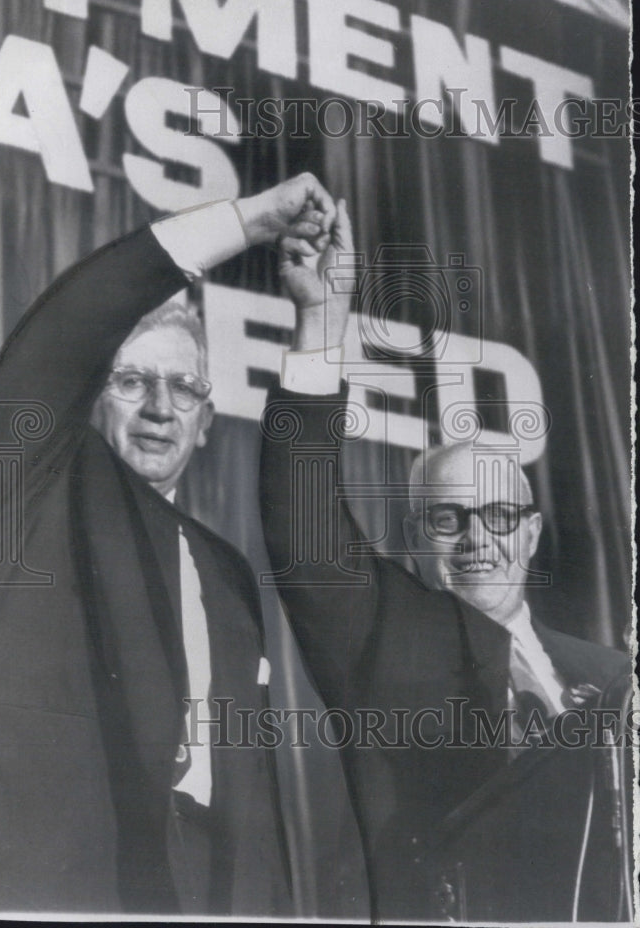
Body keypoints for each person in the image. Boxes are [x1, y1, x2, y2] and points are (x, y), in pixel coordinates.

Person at [0, 173, 337, 916]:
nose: (159, 409)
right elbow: (74, 319)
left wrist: (315, 316)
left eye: (185, 388)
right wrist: (249, 221)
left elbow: (249, 786)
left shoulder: (226, 572)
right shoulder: (29, 485)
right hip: (50, 877)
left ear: (208, 420)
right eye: (131, 381)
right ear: (87, 394)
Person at [259, 201, 630, 921]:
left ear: (530, 533)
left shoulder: (613, 679)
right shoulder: (378, 640)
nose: (475, 540)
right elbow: (302, 531)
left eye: (496, 516)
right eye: (446, 518)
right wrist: (321, 325)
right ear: (414, 538)